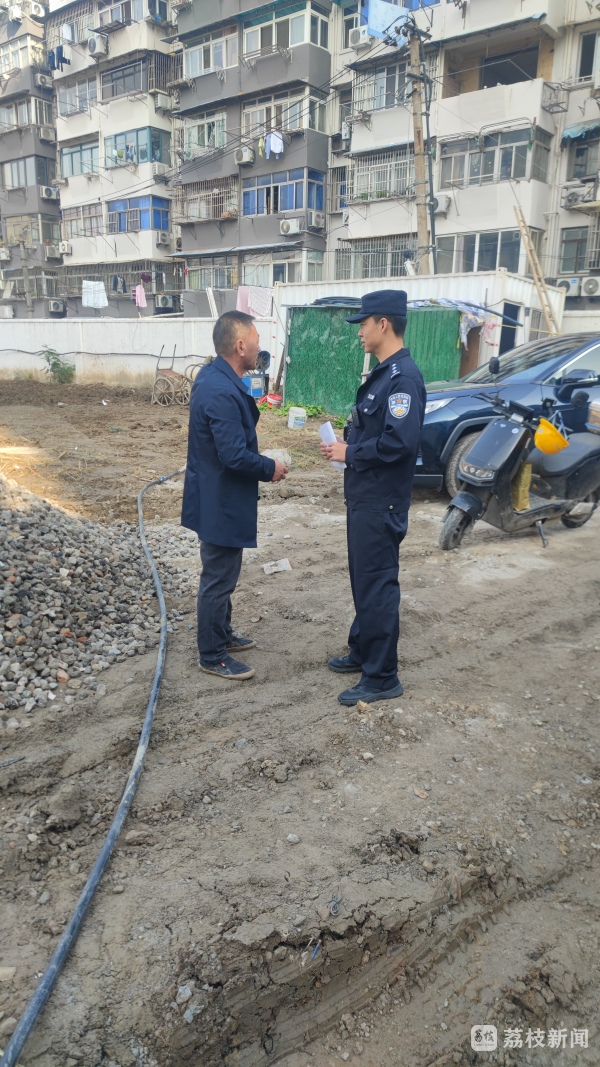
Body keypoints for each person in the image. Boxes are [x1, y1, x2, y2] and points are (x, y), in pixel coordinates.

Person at [320, 290, 426, 707]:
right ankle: (363, 650)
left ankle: (382, 677)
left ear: (383, 323)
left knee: (377, 584)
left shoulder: (403, 379)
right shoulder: (384, 375)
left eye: (363, 324)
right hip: (366, 497)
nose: (359, 332)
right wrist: (347, 446)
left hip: (381, 501)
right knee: (364, 580)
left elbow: (399, 443)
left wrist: (351, 452)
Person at [181, 311, 288, 680]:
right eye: (256, 339)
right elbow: (233, 456)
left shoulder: (216, 376)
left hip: (217, 493)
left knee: (223, 572)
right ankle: (212, 655)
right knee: (219, 577)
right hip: (220, 499)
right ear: (241, 346)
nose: (260, 346)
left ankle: (222, 634)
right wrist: (269, 467)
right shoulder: (221, 390)